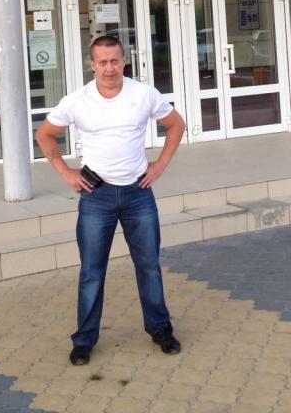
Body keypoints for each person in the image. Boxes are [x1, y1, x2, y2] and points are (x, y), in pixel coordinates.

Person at [35, 35, 186, 366]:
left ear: (124, 61)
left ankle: (160, 329)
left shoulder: (143, 94)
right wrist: (66, 173)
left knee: (148, 265)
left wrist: (160, 165)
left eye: (114, 61)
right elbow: (44, 134)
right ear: (92, 65)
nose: (109, 68)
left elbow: (176, 125)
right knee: (92, 270)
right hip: (96, 197)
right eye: (102, 62)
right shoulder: (77, 100)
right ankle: (84, 340)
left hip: (138, 194)